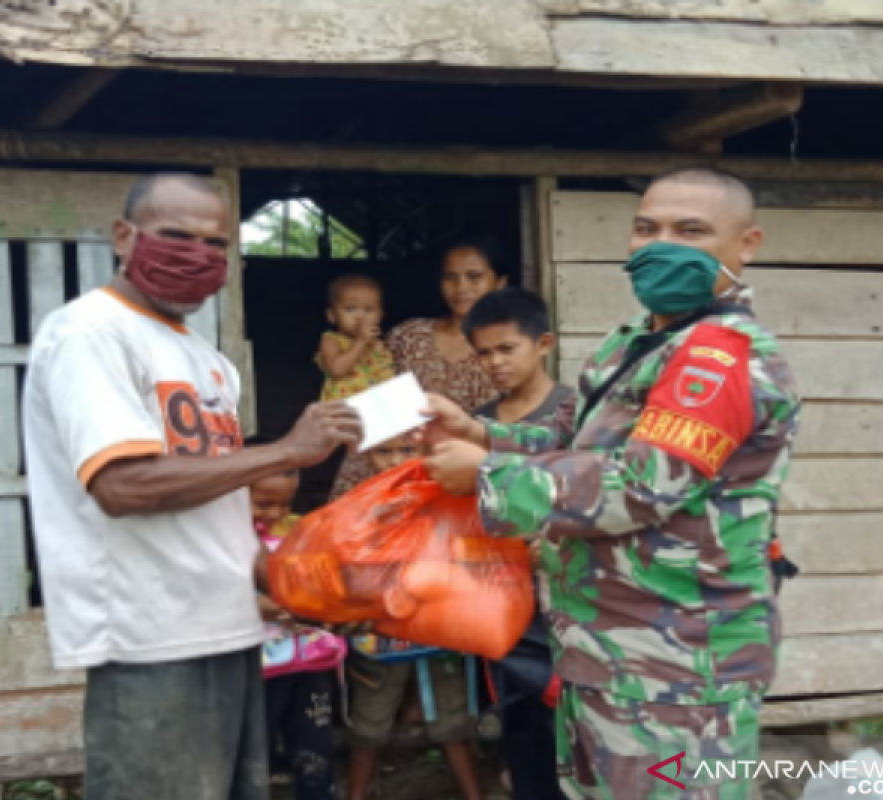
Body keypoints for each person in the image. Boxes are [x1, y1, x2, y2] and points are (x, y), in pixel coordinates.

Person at [422, 167, 801, 800]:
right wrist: (484, 433)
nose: (662, 245)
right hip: (613, 648)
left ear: (747, 244)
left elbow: (639, 486)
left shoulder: (718, 358)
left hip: (678, 663)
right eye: (646, 228)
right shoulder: (636, 343)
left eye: (691, 230)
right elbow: (582, 444)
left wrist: (486, 477)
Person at [23, 172, 363, 800]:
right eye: (176, 236)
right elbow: (122, 485)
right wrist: (285, 452)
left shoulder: (207, 360)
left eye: (216, 245)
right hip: (149, 634)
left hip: (230, 628)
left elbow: (220, 506)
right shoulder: (91, 333)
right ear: (124, 236)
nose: (197, 256)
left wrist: (293, 579)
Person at [462, 288, 572, 800]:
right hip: (503, 607)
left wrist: (548, 533)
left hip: (570, 605)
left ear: (543, 343)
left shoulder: (576, 416)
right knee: (523, 734)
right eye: (484, 353)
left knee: (578, 735)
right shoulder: (478, 422)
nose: (495, 362)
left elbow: (600, 495)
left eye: (507, 349)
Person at [344, 434, 484, 800]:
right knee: (369, 724)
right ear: (366, 454)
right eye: (383, 451)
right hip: (382, 632)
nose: (395, 461)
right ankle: (356, 792)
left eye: (407, 450)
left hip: (440, 628)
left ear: (428, 451)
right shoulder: (361, 503)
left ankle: (474, 794)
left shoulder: (448, 496)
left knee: (452, 719)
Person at [330, 236, 507, 498]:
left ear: (500, 282)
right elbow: (371, 388)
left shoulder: (505, 351)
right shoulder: (409, 335)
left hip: (461, 473)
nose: (461, 287)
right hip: (388, 469)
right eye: (450, 277)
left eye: (474, 276)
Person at [250, 470, 339, 800]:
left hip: (310, 663)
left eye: (285, 503)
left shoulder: (304, 531)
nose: (276, 513)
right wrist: (255, 605)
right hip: (258, 668)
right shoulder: (229, 539)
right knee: (256, 750)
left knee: (316, 747)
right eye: (263, 503)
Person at [316, 274, 395, 401]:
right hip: (344, 407)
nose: (360, 316)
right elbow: (337, 370)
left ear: (380, 316)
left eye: (368, 310)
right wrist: (360, 342)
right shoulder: (331, 341)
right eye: (350, 309)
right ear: (332, 315)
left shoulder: (378, 344)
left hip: (375, 407)